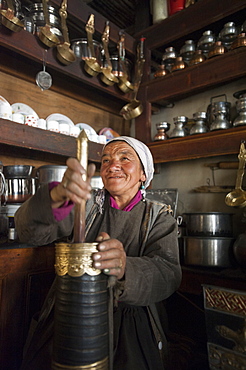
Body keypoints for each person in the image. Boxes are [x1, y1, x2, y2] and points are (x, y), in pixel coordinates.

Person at [15, 136, 182, 370]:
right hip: (72, 317)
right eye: (106, 160)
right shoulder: (84, 204)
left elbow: (168, 273)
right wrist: (54, 197)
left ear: (144, 174)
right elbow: (28, 233)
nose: (112, 165)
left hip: (132, 327)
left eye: (125, 158)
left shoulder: (158, 218)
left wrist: (125, 268)